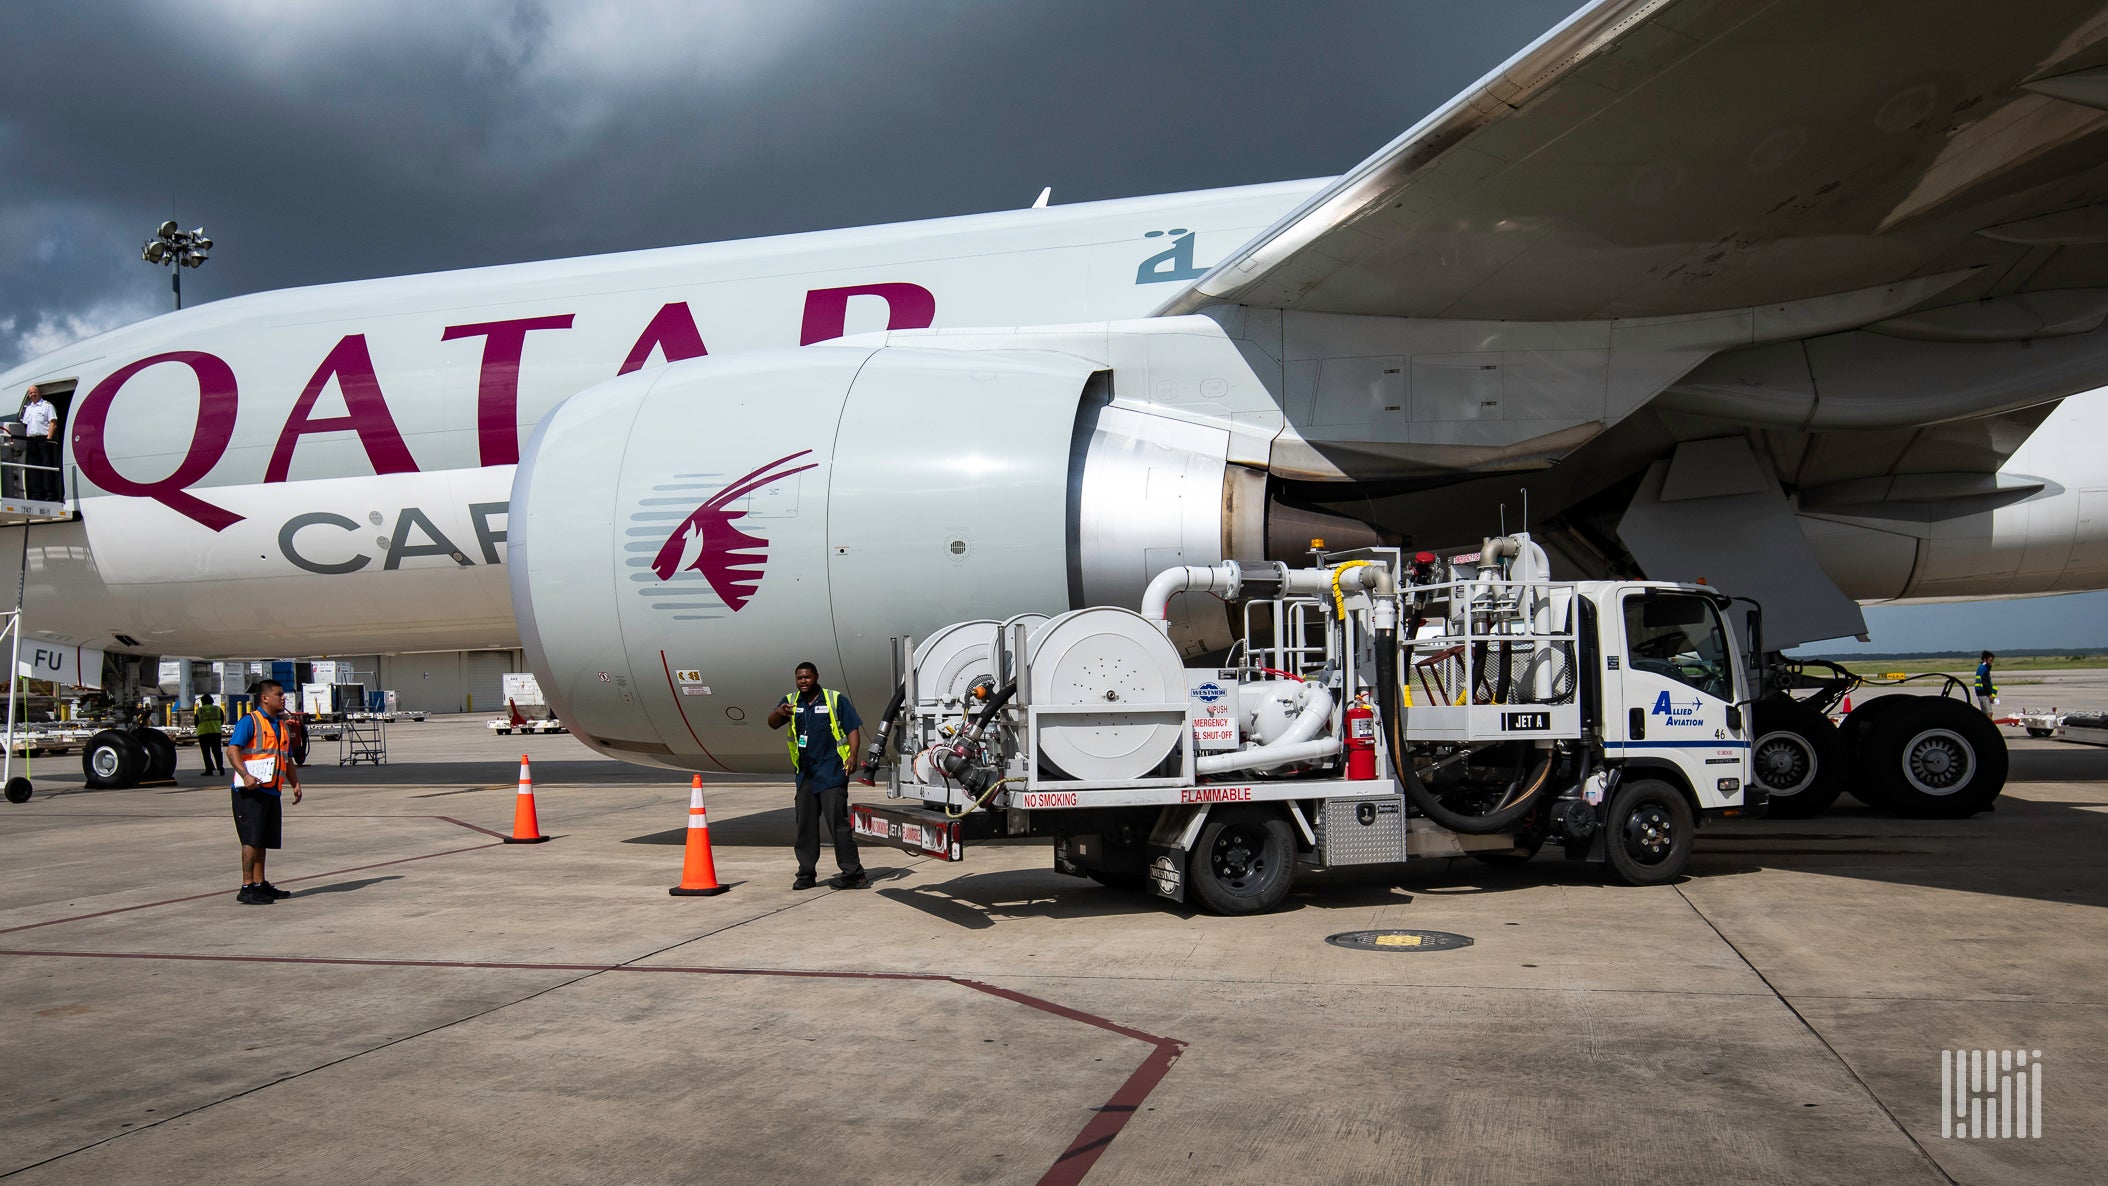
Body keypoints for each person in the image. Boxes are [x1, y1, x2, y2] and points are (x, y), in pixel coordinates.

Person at [767, 661, 867, 890]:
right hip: (806, 775)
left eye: (807, 677)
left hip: (832, 772)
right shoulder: (790, 701)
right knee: (805, 826)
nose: (803, 681)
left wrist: (852, 756)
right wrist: (778, 712)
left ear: (816, 677)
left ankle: (853, 874)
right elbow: (772, 724)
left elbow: (852, 728)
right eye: (799, 678)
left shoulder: (834, 699)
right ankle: (806, 874)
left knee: (838, 825)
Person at [223, 680, 303, 905]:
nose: (283, 698)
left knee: (263, 839)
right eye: (278, 694)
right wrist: (245, 774)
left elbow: (286, 759)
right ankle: (247, 886)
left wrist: (294, 783)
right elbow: (232, 750)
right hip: (249, 791)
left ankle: (260, 883)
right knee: (251, 839)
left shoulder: (281, 726)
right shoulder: (250, 722)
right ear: (264, 698)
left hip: (270, 791)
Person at [18, 384, 58, 501]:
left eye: (34, 392)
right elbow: (26, 425)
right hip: (32, 440)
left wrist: (49, 438)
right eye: (30, 393)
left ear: (39, 393)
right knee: (34, 468)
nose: (32, 395)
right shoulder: (29, 408)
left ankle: (49, 494)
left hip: (44, 439)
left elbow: (53, 422)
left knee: (47, 467)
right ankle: (36, 494)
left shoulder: (46, 406)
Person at [193, 692, 226, 777]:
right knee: (217, 751)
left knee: (206, 752)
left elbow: (196, 723)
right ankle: (220, 766)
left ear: (203, 702)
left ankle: (209, 769)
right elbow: (222, 721)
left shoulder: (199, 711)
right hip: (216, 732)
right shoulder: (218, 709)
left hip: (203, 734)